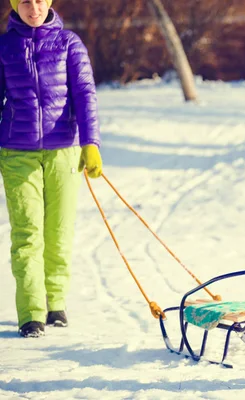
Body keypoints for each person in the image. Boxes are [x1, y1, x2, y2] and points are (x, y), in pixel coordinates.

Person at [0, 0, 103, 338]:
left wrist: (91, 143)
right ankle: (31, 312)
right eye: (26, 1)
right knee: (27, 234)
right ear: (15, 4)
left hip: (63, 150)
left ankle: (55, 301)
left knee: (58, 231)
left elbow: (85, 93)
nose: (34, 8)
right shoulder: (4, 46)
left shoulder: (69, 43)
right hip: (17, 151)